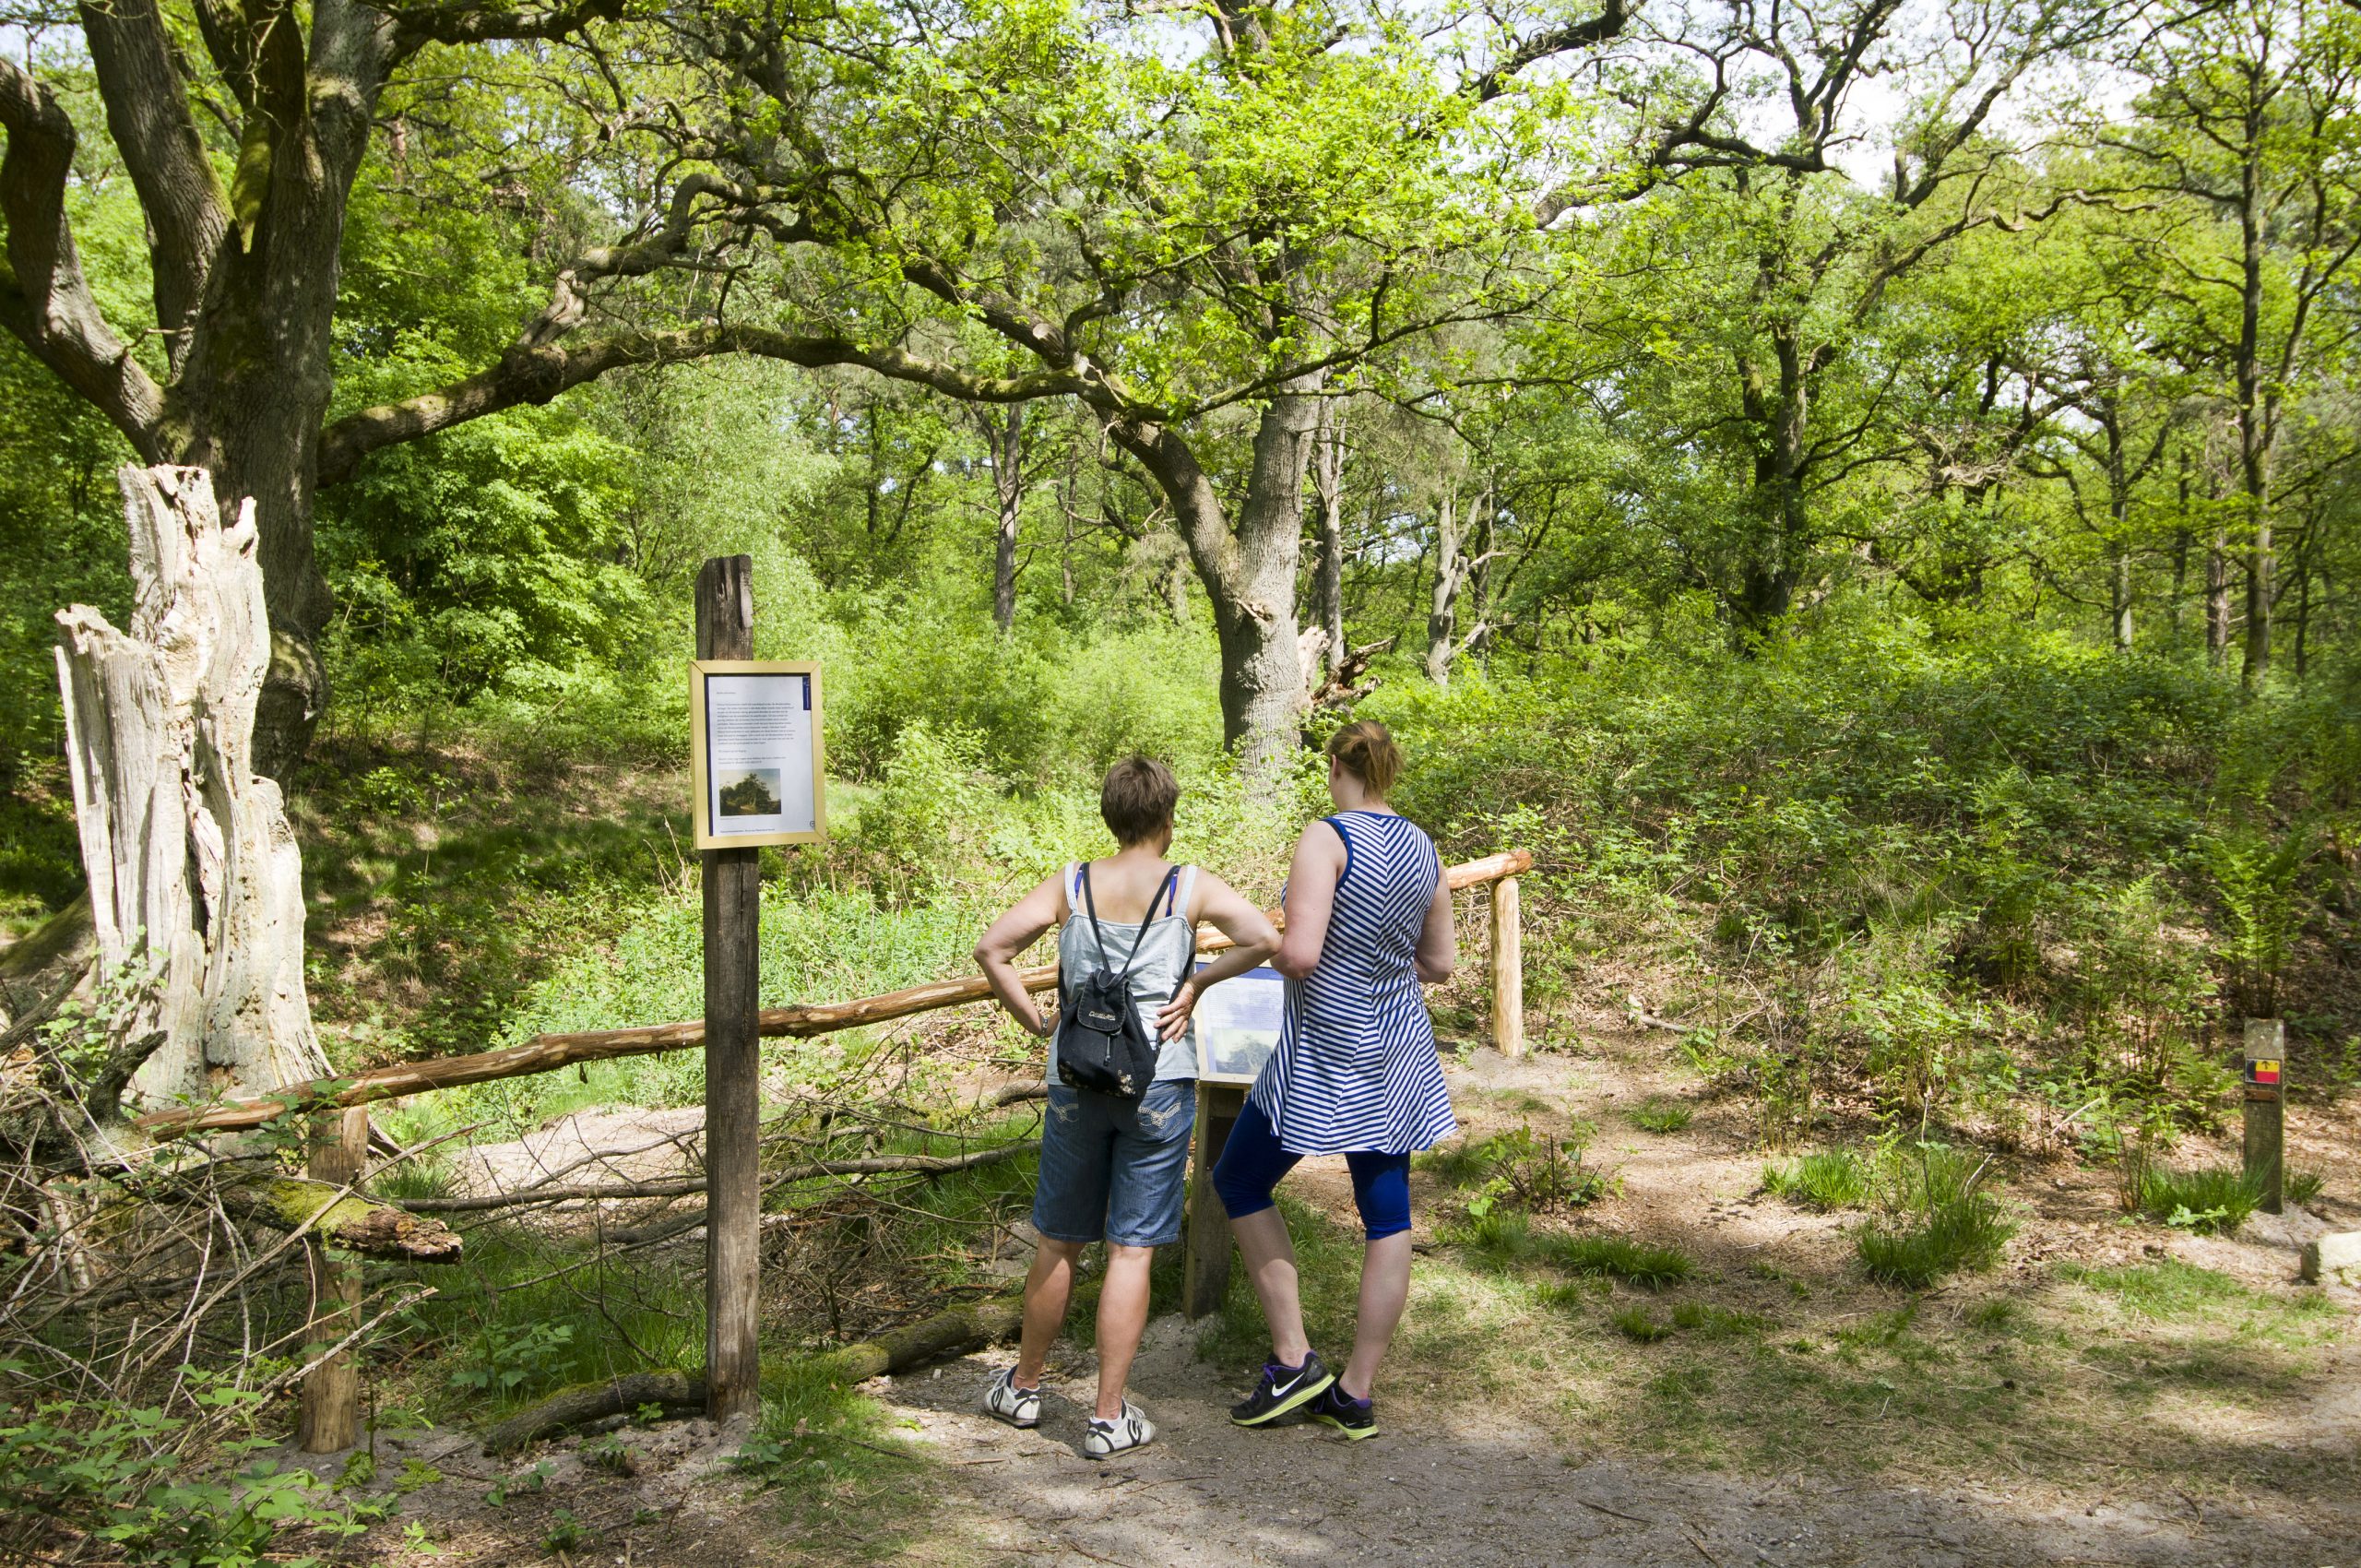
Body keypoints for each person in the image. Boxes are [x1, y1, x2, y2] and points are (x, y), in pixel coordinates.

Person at [972, 755, 1279, 1457]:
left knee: (1059, 1240)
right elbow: (1265, 938)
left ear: (1111, 817)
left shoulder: (1072, 883)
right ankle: (1109, 1416)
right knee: (1131, 1250)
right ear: (1167, 820)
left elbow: (994, 949)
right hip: (1159, 1080)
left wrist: (1035, 1020)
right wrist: (1197, 983)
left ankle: (1023, 1388)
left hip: (1075, 1079)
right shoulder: (1187, 887)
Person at [1211, 719, 1456, 1443]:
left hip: (1326, 1048)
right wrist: (1379, 971)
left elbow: (1302, 953)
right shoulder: (1423, 845)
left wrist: (1262, 945)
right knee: (1388, 1217)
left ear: (1335, 767)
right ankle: (1354, 1392)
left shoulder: (1328, 837)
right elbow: (1439, 965)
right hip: (1398, 1049)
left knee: (1240, 1180)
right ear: (1387, 769)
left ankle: (1293, 1362)